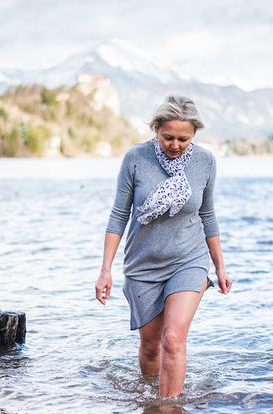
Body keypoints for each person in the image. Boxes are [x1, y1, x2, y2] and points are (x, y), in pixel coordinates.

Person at [95, 94, 232, 398]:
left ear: (194, 134)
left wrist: (220, 266)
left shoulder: (205, 162)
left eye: (184, 138)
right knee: (151, 347)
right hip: (143, 265)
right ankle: (150, 401)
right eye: (168, 137)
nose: (175, 144)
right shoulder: (135, 159)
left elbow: (207, 215)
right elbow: (119, 215)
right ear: (155, 129)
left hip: (189, 260)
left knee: (173, 339)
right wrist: (105, 270)